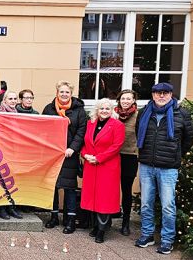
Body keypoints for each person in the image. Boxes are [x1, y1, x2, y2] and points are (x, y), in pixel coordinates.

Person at [134, 82, 193, 254]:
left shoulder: (181, 114)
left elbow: (188, 139)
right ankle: (147, 235)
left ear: (170, 94)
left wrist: (176, 153)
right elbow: (139, 133)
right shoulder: (144, 113)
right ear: (153, 95)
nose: (162, 96)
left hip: (168, 168)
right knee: (146, 203)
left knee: (168, 205)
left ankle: (167, 239)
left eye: (165, 93)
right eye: (158, 93)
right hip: (147, 164)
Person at [42, 81, 87, 233]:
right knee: (52, 187)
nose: (64, 94)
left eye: (67, 92)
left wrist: (72, 148)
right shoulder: (49, 109)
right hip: (53, 154)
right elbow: (43, 130)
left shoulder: (79, 110)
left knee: (69, 188)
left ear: (71, 93)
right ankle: (54, 216)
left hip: (70, 155)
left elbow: (81, 131)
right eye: (61, 92)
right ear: (57, 92)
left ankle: (70, 220)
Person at [81, 98, 125, 244]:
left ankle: (102, 229)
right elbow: (85, 142)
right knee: (93, 196)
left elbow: (116, 146)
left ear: (112, 110)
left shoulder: (117, 125)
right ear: (97, 110)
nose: (104, 111)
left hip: (107, 166)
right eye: (101, 108)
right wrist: (85, 154)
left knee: (104, 198)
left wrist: (99, 158)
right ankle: (95, 225)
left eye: (107, 108)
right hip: (91, 165)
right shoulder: (90, 123)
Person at [0, 90, 23, 220]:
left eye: (14, 99)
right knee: (2, 179)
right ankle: (2, 207)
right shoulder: (0, 114)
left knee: (13, 179)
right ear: (4, 100)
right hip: (2, 150)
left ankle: (11, 207)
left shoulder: (18, 114)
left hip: (14, 150)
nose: (12, 101)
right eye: (10, 99)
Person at [114, 89, 139, 235]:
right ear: (119, 100)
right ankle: (108, 217)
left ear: (133, 100)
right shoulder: (114, 114)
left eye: (129, 99)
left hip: (129, 155)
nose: (126, 101)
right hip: (113, 155)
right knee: (111, 188)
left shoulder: (138, 115)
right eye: (123, 99)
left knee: (126, 190)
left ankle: (125, 223)